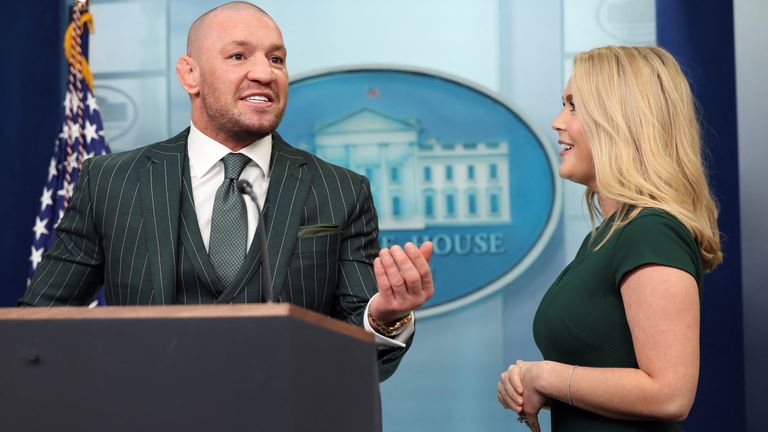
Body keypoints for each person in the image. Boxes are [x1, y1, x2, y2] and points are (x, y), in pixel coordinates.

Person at [19, 1, 434, 382]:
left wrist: (385, 317)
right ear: (189, 75)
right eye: (239, 56)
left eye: (277, 59)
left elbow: (362, 353)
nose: (265, 73)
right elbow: (37, 327)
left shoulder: (341, 191)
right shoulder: (110, 181)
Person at [497, 46, 722, 431]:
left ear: (621, 121)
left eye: (574, 106)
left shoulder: (651, 230)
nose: (556, 122)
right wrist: (532, 385)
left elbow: (669, 394)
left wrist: (547, 376)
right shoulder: (609, 234)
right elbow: (611, 372)